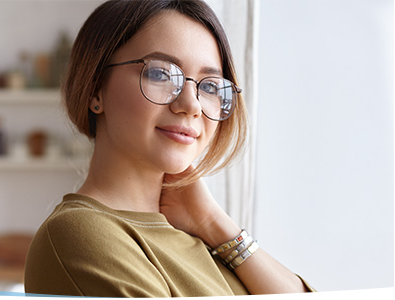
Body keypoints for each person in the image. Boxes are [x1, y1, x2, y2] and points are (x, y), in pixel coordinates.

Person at [25, 0, 314, 297]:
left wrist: (216, 225)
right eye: (160, 74)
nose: (192, 105)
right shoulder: (79, 235)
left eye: (211, 86)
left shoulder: (201, 231)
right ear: (95, 88)